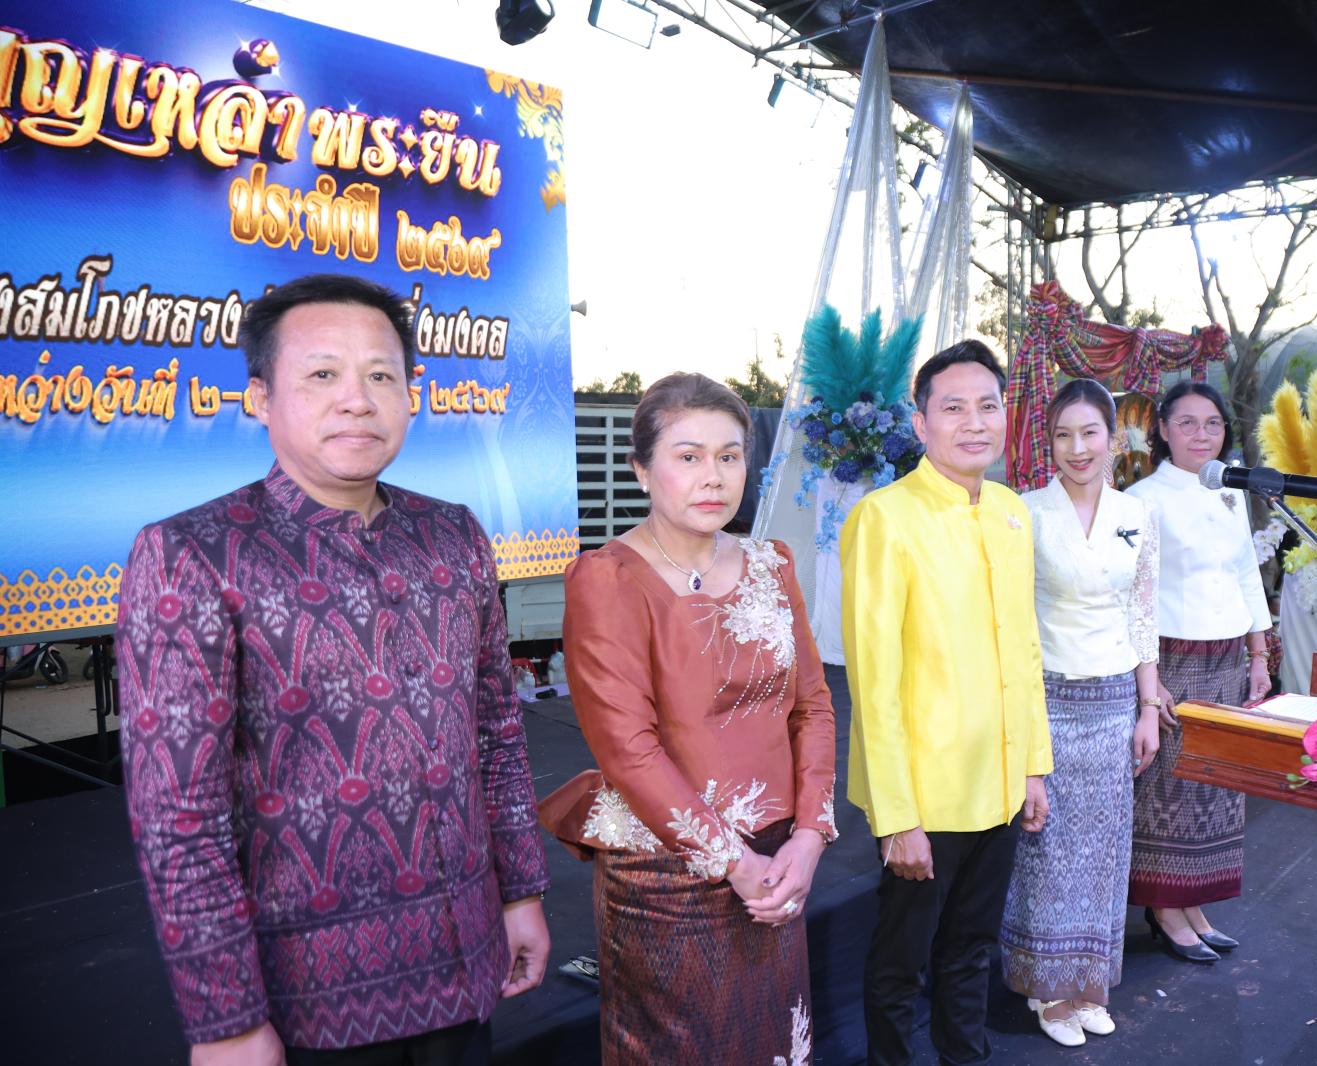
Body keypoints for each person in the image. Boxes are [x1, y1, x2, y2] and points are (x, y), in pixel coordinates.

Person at [117, 274, 551, 1066]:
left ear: (411, 394)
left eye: (381, 375)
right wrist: (226, 1020)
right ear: (259, 397)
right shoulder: (192, 555)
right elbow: (179, 816)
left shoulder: (454, 537)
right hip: (308, 1000)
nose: (357, 399)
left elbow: (497, 733)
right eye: (323, 373)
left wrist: (521, 893)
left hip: (467, 960)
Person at [540, 373, 836, 1064]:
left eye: (729, 456)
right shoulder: (608, 578)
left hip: (778, 864)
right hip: (666, 873)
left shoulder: (771, 564)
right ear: (641, 469)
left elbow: (812, 706)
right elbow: (627, 748)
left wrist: (810, 838)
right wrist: (734, 862)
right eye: (689, 456)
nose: (714, 476)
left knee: (772, 1042)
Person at [842, 340, 1053, 1066]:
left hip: (1000, 781)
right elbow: (874, 681)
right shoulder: (885, 517)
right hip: (926, 794)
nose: (974, 422)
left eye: (988, 406)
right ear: (921, 423)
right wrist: (896, 815)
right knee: (902, 961)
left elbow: (1024, 650)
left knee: (971, 948)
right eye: (954, 407)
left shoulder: (1011, 511)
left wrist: (1033, 767)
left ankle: (966, 1056)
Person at [1000, 379, 1162, 1048]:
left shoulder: (1137, 513)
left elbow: (1143, 612)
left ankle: (1089, 983)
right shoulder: (1024, 512)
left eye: (1090, 432)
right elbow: (1011, 619)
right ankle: (1047, 986)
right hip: (1048, 698)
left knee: (1103, 852)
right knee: (1049, 850)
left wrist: (1148, 707)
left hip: (1117, 700)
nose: (1077, 447)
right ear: (1049, 443)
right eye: (1063, 435)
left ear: (1113, 438)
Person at [1124, 380, 1272, 965]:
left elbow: (1246, 574)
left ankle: (1195, 903)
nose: (1201, 434)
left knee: (1215, 785)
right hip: (1170, 656)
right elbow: (1131, 595)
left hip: (1226, 656)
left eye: (1212, 423)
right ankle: (1165, 906)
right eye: (1186, 423)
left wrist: (1258, 656)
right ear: (1162, 429)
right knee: (1170, 785)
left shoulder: (1232, 491)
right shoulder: (1142, 499)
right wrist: (1150, 680)